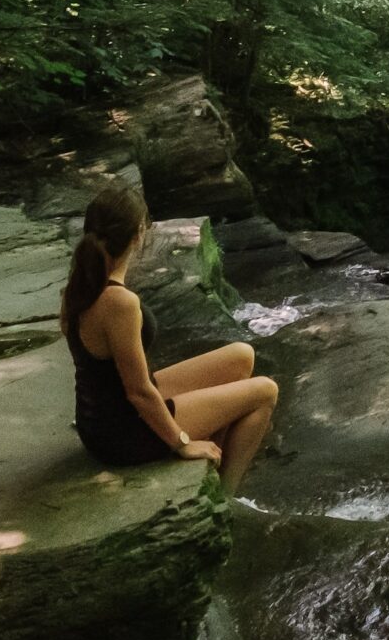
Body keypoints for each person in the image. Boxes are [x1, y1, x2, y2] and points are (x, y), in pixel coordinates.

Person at [61, 183, 278, 491]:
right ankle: (225, 496)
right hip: (123, 434)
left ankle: (213, 469)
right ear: (138, 235)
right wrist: (182, 443)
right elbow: (138, 392)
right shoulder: (119, 302)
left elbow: (112, 376)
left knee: (242, 355)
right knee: (265, 391)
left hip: (102, 418)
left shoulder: (78, 286)